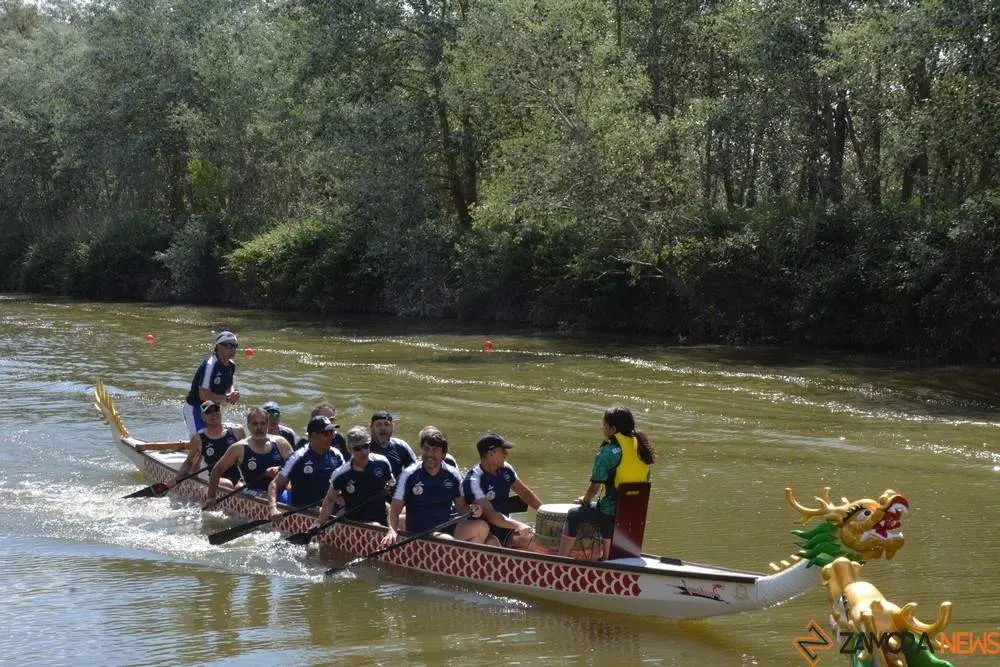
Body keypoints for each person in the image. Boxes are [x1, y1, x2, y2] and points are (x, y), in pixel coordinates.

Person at [559, 406, 655, 560]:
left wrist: (585, 500)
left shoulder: (608, 451)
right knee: (605, 509)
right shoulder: (642, 449)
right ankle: (608, 558)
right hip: (634, 511)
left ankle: (560, 560)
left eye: (604, 425)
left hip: (612, 510)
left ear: (612, 429)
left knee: (574, 515)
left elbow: (595, 486)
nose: (601, 428)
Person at [381, 427, 484, 546]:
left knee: (482, 527)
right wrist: (392, 531)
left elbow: (461, 507)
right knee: (447, 540)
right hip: (418, 531)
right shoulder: (410, 474)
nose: (429, 454)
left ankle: (466, 561)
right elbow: (394, 509)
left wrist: (473, 510)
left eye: (435, 450)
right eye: (426, 449)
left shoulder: (453, 475)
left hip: (445, 525)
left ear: (444, 454)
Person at [462, 433, 543, 548]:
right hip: (484, 530)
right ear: (491, 454)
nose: (506, 454)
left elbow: (525, 493)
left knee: (535, 542)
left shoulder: (506, 469)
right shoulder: (474, 480)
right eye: (503, 451)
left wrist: (545, 512)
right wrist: (518, 525)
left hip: (506, 527)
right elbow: (490, 514)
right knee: (494, 544)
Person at [205, 406, 294, 508]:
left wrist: (279, 469)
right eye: (255, 424)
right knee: (268, 498)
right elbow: (216, 471)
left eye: (262, 423)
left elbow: (296, 466)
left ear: (267, 424)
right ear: (248, 425)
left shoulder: (280, 442)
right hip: (254, 491)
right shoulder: (239, 448)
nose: (259, 428)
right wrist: (211, 497)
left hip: (279, 489)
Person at [315, 426, 394, 527]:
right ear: (349, 449)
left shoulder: (382, 462)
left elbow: (391, 485)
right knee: (375, 525)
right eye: (357, 448)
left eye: (366, 446)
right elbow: (330, 499)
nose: (363, 452)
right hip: (355, 520)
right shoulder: (341, 474)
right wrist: (319, 523)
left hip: (381, 514)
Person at [267, 416, 345, 518]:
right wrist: (273, 508)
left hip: (329, 507)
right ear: (313, 435)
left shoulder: (336, 454)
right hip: (304, 511)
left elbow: (346, 482)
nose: (331, 437)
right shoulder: (298, 457)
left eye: (332, 432)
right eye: (326, 433)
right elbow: (275, 484)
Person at [167, 400, 244, 489]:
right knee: (228, 484)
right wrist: (176, 479)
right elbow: (189, 462)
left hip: (239, 478)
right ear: (203, 417)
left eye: (216, 409)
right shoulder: (198, 438)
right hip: (217, 479)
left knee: (240, 487)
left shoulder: (237, 431)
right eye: (208, 412)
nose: (214, 413)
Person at [184, 330, 240, 436]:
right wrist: (227, 398)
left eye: (235, 346)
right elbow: (203, 395)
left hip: (214, 408)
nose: (232, 349)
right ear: (218, 347)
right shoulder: (210, 365)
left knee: (216, 438)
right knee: (200, 439)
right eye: (228, 345)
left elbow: (229, 384)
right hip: (196, 407)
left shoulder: (231, 365)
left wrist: (233, 393)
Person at [368, 411, 417, 478]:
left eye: (387, 424)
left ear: (392, 427)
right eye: (378, 425)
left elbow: (415, 471)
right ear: (371, 428)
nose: (383, 428)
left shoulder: (401, 446)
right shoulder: (362, 448)